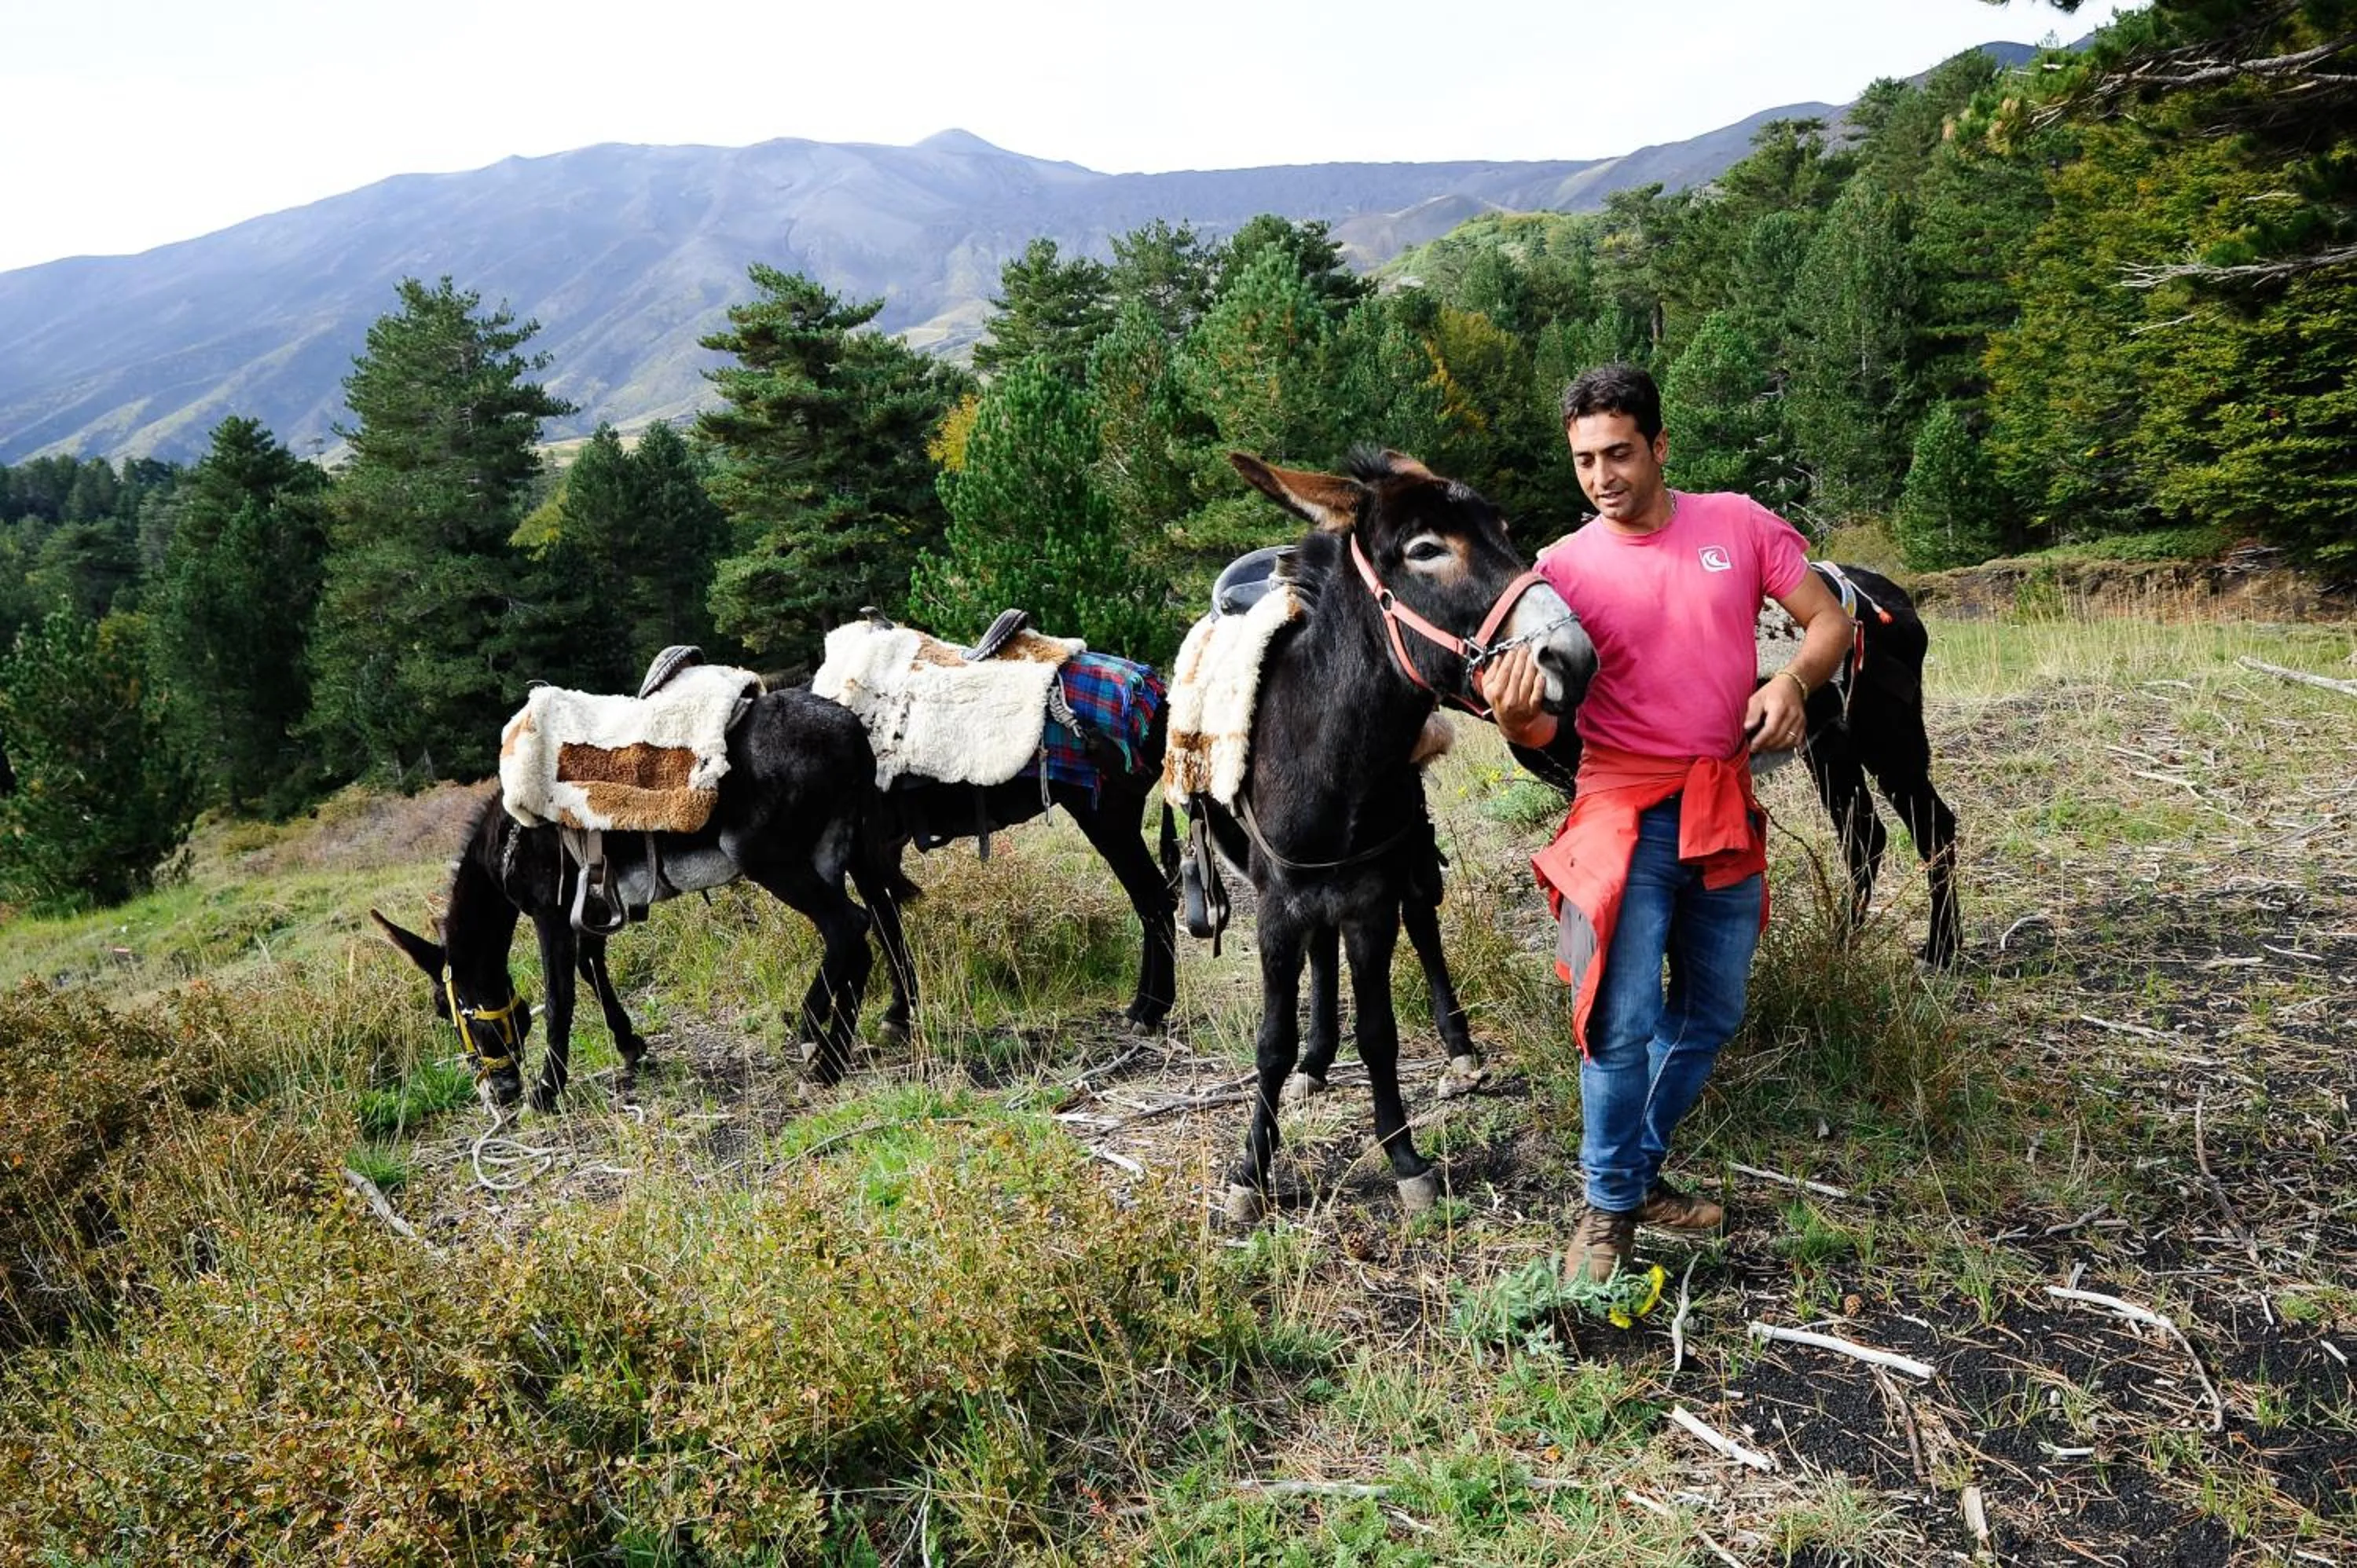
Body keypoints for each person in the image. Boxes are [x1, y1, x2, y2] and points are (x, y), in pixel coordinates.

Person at [1484, 363, 1852, 1287]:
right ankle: (1608, 1214)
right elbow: (1541, 728)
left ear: (1659, 446)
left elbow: (1830, 619)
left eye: (1618, 453)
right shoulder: (1560, 574)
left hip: (1720, 796)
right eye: (1583, 461)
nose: (1602, 476)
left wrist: (1792, 680)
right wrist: (1515, 715)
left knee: (1711, 1010)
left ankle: (1634, 1174)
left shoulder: (1737, 523)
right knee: (1621, 1018)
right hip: (1619, 806)